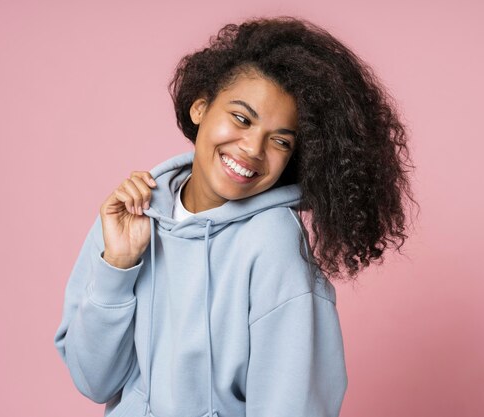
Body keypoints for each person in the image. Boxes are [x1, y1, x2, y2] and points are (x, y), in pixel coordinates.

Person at [54, 16, 415, 417]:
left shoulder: (274, 247)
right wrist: (117, 267)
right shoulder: (133, 213)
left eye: (280, 140)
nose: (252, 149)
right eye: (242, 118)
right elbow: (93, 381)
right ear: (200, 107)